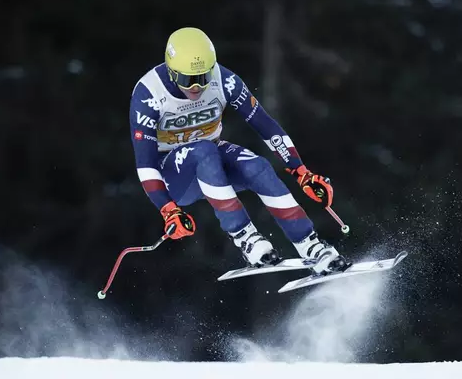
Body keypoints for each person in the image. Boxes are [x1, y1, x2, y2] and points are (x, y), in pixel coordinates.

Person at [128, 27, 350, 275]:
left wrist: (301, 172)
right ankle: (246, 237)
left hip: (212, 158)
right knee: (203, 151)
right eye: (187, 79)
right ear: (171, 71)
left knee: (258, 167)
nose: (196, 87)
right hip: (173, 176)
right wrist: (167, 208)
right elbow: (145, 164)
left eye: (203, 77)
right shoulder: (148, 94)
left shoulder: (224, 80)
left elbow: (265, 124)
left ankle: (311, 246)